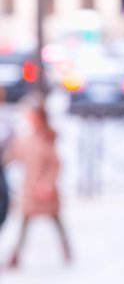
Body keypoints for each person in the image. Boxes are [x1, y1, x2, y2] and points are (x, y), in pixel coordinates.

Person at [4, 96, 71, 267]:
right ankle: (16, 255)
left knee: (56, 221)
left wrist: (48, 183)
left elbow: (55, 164)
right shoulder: (25, 138)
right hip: (30, 190)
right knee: (25, 223)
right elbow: (12, 156)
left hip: (45, 190)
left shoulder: (47, 139)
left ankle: (66, 248)